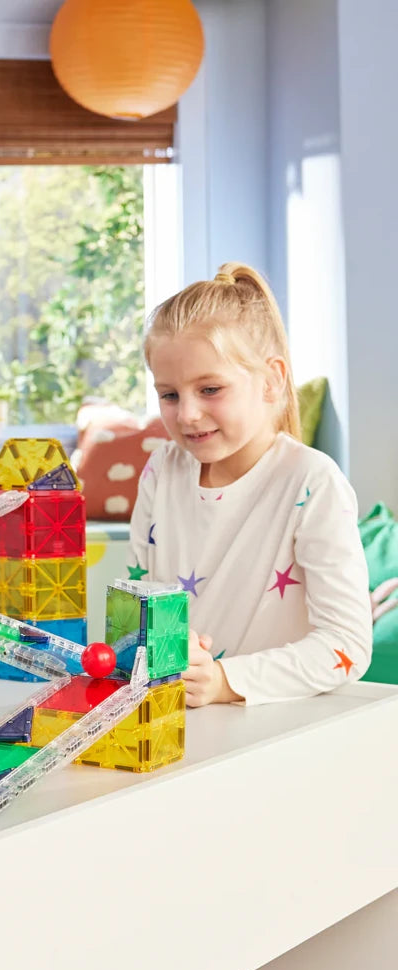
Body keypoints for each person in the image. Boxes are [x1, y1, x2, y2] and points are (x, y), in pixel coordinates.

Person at [128, 262, 372, 707]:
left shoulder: (312, 482)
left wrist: (224, 680)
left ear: (272, 380)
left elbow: (347, 646)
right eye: (169, 394)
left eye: (210, 389)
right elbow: (143, 602)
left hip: (275, 731)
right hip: (184, 723)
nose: (186, 415)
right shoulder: (162, 468)